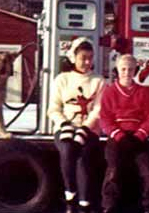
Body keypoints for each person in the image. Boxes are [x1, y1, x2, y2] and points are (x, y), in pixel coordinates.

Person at [47, 37, 106, 213]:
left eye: (90, 57)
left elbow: (98, 109)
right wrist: (64, 124)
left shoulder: (99, 81)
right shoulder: (62, 79)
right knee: (67, 149)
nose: (87, 62)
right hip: (65, 127)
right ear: (73, 57)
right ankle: (70, 193)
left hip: (89, 128)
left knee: (83, 155)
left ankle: (84, 202)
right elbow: (53, 108)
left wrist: (85, 128)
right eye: (83, 58)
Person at [100, 54, 149, 213]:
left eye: (130, 69)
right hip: (118, 137)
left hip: (138, 137)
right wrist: (119, 135)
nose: (127, 72)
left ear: (135, 71)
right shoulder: (110, 92)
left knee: (148, 172)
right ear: (117, 70)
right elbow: (105, 118)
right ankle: (108, 206)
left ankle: (148, 206)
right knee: (113, 170)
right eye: (123, 69)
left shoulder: (143, 92)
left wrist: (140, 135)